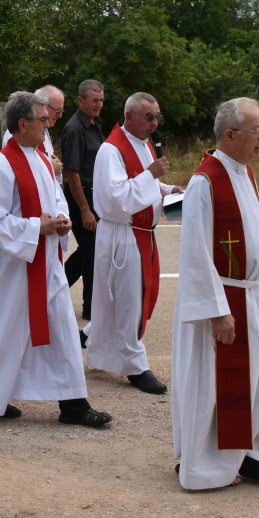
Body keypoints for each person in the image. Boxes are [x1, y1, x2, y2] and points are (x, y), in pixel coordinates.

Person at [172, 98, 259, 492]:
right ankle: (207, 468)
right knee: (218, 387)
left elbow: (252, 227)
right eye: (256, 131)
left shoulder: (245, 174)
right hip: (225, 302)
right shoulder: (205, 181)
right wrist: (217, 311)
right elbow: (195, 251)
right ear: (230, 135)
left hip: (252, 294)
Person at [0, 92, 111, 427]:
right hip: (10, 269)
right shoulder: (2, 164)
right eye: (43, 119)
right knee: (1, 335)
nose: (48, 123)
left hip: (43, 262)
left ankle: (73, 405)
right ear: (22, 123)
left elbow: (54, 194)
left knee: (62, 329)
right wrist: (35, 227)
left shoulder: (41, 157)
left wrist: (59, 218)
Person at [84, 92, 182, 394]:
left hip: (142, 235)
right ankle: (135, 366)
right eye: (149, 117)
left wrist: (166, 189)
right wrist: (151, 175)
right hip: (123, 235)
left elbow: (143, 182)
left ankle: (97, 345)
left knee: (130, 301)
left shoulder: (144, 144)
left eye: (157, 117)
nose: (154, 123)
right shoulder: (111, 150)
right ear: (130, 117)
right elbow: (113, 198)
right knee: (129, 304)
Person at [61, 79, 106, 319]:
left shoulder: (95, 124)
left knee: (90, 250)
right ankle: (91, 309)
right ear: (80, 100)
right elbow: (72, 173)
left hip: (95, 195)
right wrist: (85, 210)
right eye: (94, 100)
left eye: (101, 100)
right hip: (81, 197)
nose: (99, 105)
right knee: (92, 254)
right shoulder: (74, 129)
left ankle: (53, 291)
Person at [2, 85, 64, 180]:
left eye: (61, 110)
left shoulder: (43, 129)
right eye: (57, 111)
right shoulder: (15, 135)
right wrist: (50, 168)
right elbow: (18, 171)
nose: (60, 115)